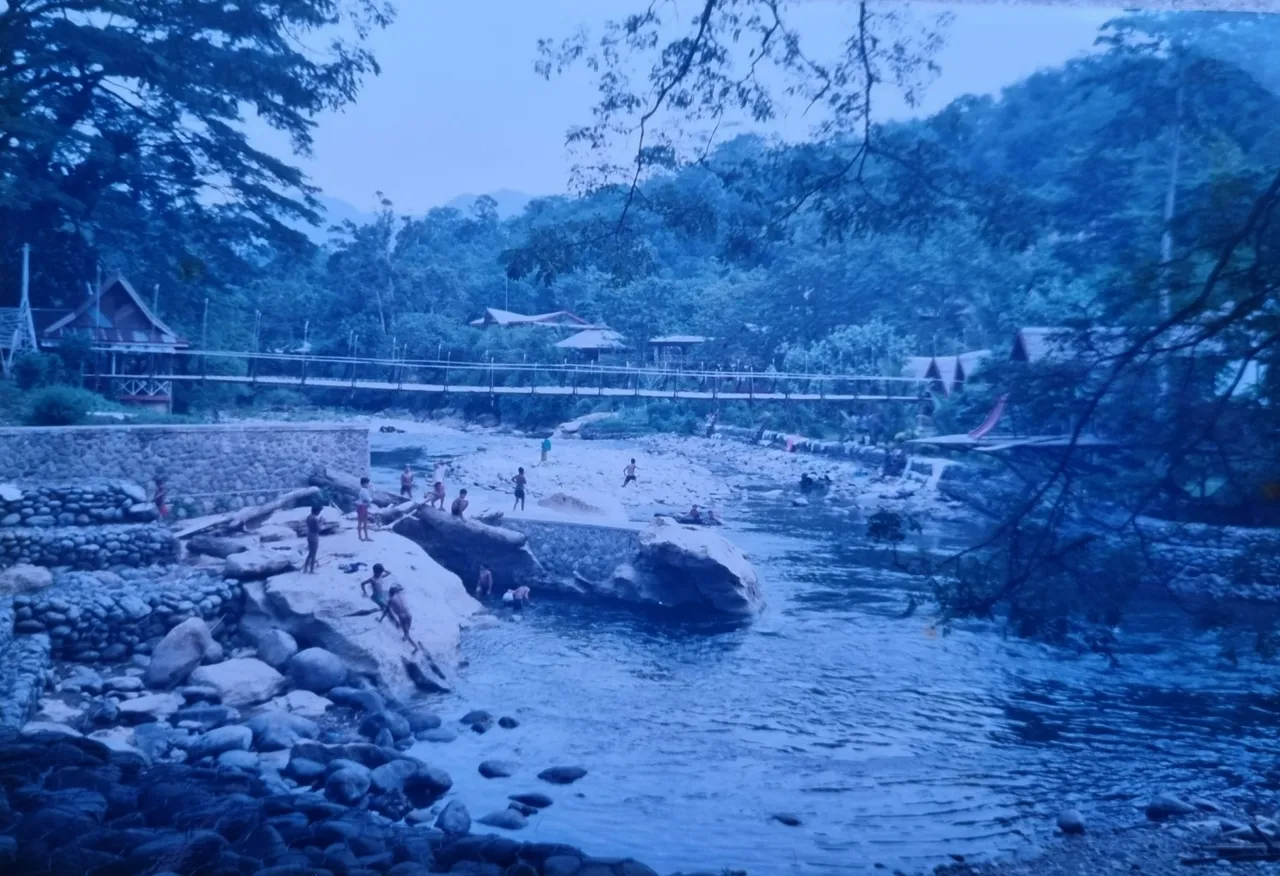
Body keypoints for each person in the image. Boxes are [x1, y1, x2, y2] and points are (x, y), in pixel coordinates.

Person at [383, 584, 420, 653]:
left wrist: (380, 619)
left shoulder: (391, 599)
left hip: (402, 616)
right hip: (409, 615)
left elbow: (386, 610)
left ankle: (416, 647)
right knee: (407, 630)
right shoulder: (401, 595)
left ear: (390, 593)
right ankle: (405, 637)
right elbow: (400, 589)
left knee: (406, 633)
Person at [303, 504, 322, 574]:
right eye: (319, 511)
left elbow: (312, 527)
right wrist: (321, 522)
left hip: (309, 535)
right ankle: (311, 570)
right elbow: (318, 529)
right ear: (316, 511)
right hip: (314, 536)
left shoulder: (308, 517)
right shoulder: (314, 518)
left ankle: (305, 569)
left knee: (310, 553)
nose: (319, 512)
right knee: (313, 554)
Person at [356, 477, 372, 541]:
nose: (368, 485)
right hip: (361, 507)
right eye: (367, 483)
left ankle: (366, 536)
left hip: (364, 507)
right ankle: (360, 537)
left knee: (365, 522)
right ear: (363, 484)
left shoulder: (365, 490)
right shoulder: (363, 491)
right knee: (360, 522)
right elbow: (367, 499)